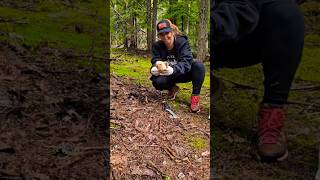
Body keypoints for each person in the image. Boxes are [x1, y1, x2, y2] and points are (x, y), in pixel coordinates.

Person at [211, 0, 305, 162]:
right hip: (200, 38)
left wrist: (213, 24)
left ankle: (273, 109)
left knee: (286, 12)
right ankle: (203, 80)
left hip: (238, 31)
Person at [150, 19, 206, 113]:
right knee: (156, 82)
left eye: (167, 32)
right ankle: (172, 88)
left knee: (199, 66)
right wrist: (154, 69)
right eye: (161, 34)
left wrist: (173, 69)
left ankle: (195, 96)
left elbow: (186, 61)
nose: (165, 36)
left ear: (171, 32)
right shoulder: (157, 46)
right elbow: (155, 60)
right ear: (159, 35)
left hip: (185, 73)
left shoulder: (182, 42)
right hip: (169, 76)